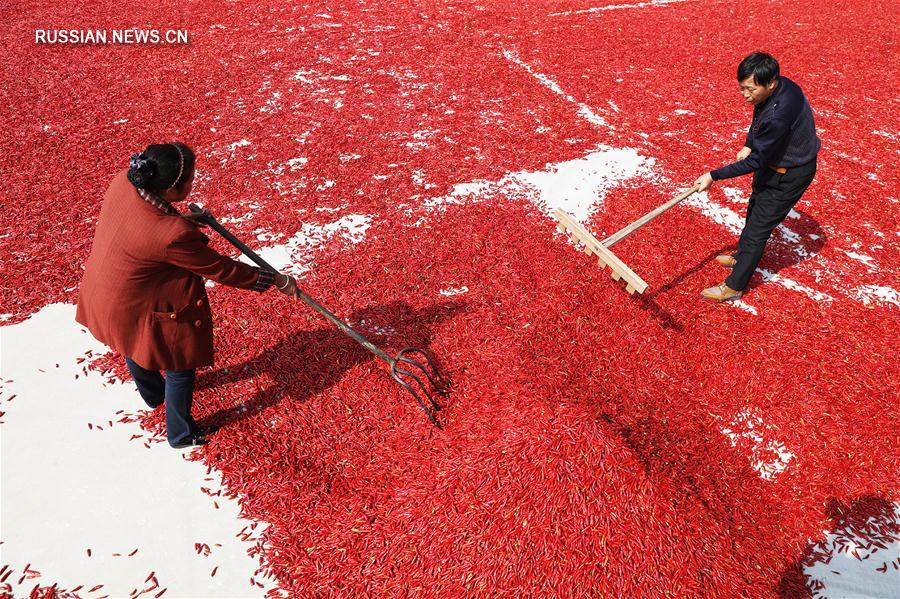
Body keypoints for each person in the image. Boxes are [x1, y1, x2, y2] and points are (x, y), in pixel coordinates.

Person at [76, 142, 299, 448]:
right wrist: (272, 279)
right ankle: (180, 433)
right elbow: (219, 268)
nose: (193, 185)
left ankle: (153, 396)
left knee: (131, 341)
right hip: (137, 302)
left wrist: (185, 220)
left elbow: (144, 224)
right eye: (190, 180)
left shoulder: (124, 181)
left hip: (109, 292)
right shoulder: (172, 236)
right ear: (169, 188)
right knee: (180, 365)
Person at [694, 52, 820, 301]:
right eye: (741, 88)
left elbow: (756, 161)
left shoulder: (779, 113)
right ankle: (741, 256)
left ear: (770, 83)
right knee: (753, 209)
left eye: (749, 89)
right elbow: (758, 114)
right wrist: (749, 143)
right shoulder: (782, 87)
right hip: (774, 164)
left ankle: (734, 287)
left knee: (757, 229)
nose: (744, 95)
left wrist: (713, 175)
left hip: (790, 173)